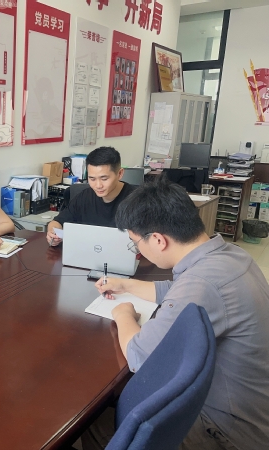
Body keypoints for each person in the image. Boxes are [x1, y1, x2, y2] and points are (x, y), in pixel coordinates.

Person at [83, 178, 269, 450]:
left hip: (226, 430)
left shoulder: (202, 284)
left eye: (135, 244)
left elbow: (140, 356)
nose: (138, 251)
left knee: (96, 425)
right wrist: (126, 285)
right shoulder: (229, 255)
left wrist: (123, 314)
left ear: (158, 240)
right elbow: (177, 289)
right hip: (251, 408)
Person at [46, 146, 137, 246]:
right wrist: (53, 234)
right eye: (92, 179)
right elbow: (56, 222)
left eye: (104, 179)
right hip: (87, 252)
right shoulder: (84, 197)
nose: (98, 185)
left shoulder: (138, 200)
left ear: (120, 174)